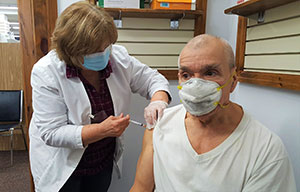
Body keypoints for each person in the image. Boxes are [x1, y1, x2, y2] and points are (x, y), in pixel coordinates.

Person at [29, 2, 171, 192]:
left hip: (100, 161)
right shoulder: (46, 71)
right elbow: (52, 132)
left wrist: (158, 101)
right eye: (95, 50)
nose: (104, 53)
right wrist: (102, 130)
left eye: (107, 46)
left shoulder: (117, 57)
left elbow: (153, 79)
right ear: (71, 50)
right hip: (62, 165)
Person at [130, 34, 296, 192]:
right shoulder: (160, 125)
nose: (196, 86)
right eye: (186, 75)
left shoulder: (265, 150)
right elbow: (141, 188)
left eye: (210, 73)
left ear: (233, 81)